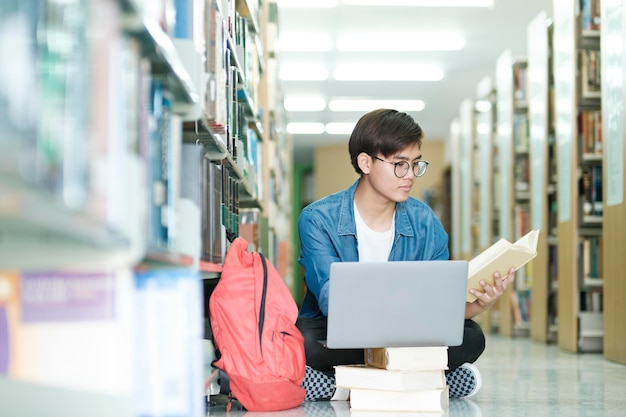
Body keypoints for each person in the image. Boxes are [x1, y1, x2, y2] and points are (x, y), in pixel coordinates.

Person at [296, 108, 515, 401]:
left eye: (415, 164)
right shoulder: (318, 219)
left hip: (408, 331)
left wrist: (476, 307)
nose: (410, 175)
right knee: (307, 343)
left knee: (472, 336)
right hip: (341, 328)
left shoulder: (426, 222)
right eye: (400, 165)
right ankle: (431, 380)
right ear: (365, 162)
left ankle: (343, 386)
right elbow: (331, 303)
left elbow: (436, 307)